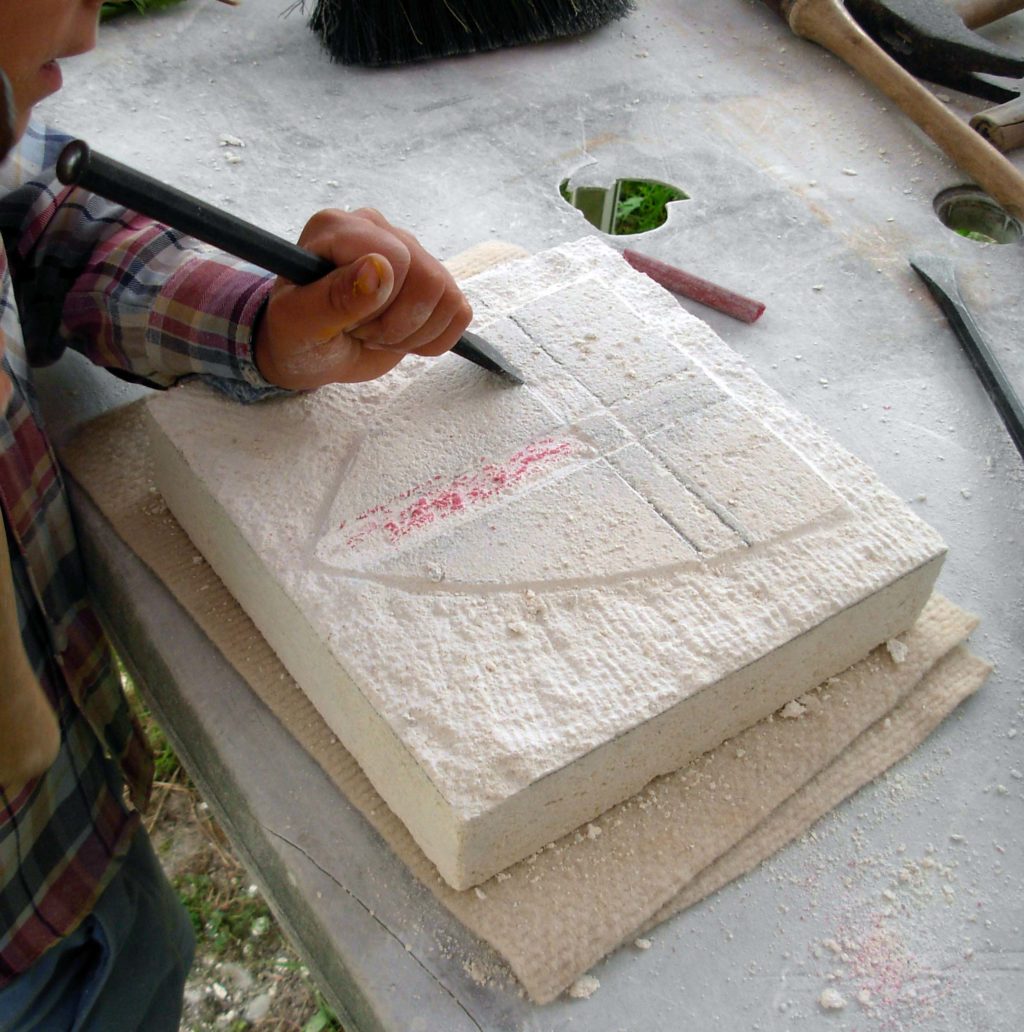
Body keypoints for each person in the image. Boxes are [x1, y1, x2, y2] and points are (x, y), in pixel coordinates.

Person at [0, 2, 473, 1028]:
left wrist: (263, 324)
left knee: (137, 969)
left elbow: (41, 219)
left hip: (71, 844)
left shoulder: (13, 140)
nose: (87, 34)